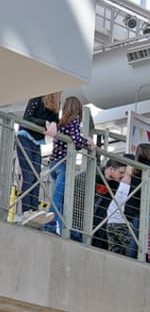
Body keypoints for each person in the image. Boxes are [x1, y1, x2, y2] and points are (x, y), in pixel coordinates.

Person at [48, 95, 93, 238]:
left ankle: (63, 230)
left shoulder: (61, 123)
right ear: (77, 109)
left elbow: (70, 142)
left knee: (60, 199)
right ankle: (50, 224)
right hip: (64, 165)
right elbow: (76, 139)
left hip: (53, 164)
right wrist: (89, 143)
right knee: (58, 198)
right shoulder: (74, 121)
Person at [16, 93, 58, 215]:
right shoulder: (36, 98)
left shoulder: (55, 105)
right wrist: (44, 123)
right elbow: (27, 117)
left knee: (36, 178)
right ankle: (26, 212)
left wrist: (55, 123)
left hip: (37, 142)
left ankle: (33, 211)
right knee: (29, 177)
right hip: (25, 137)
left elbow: (55, 119)